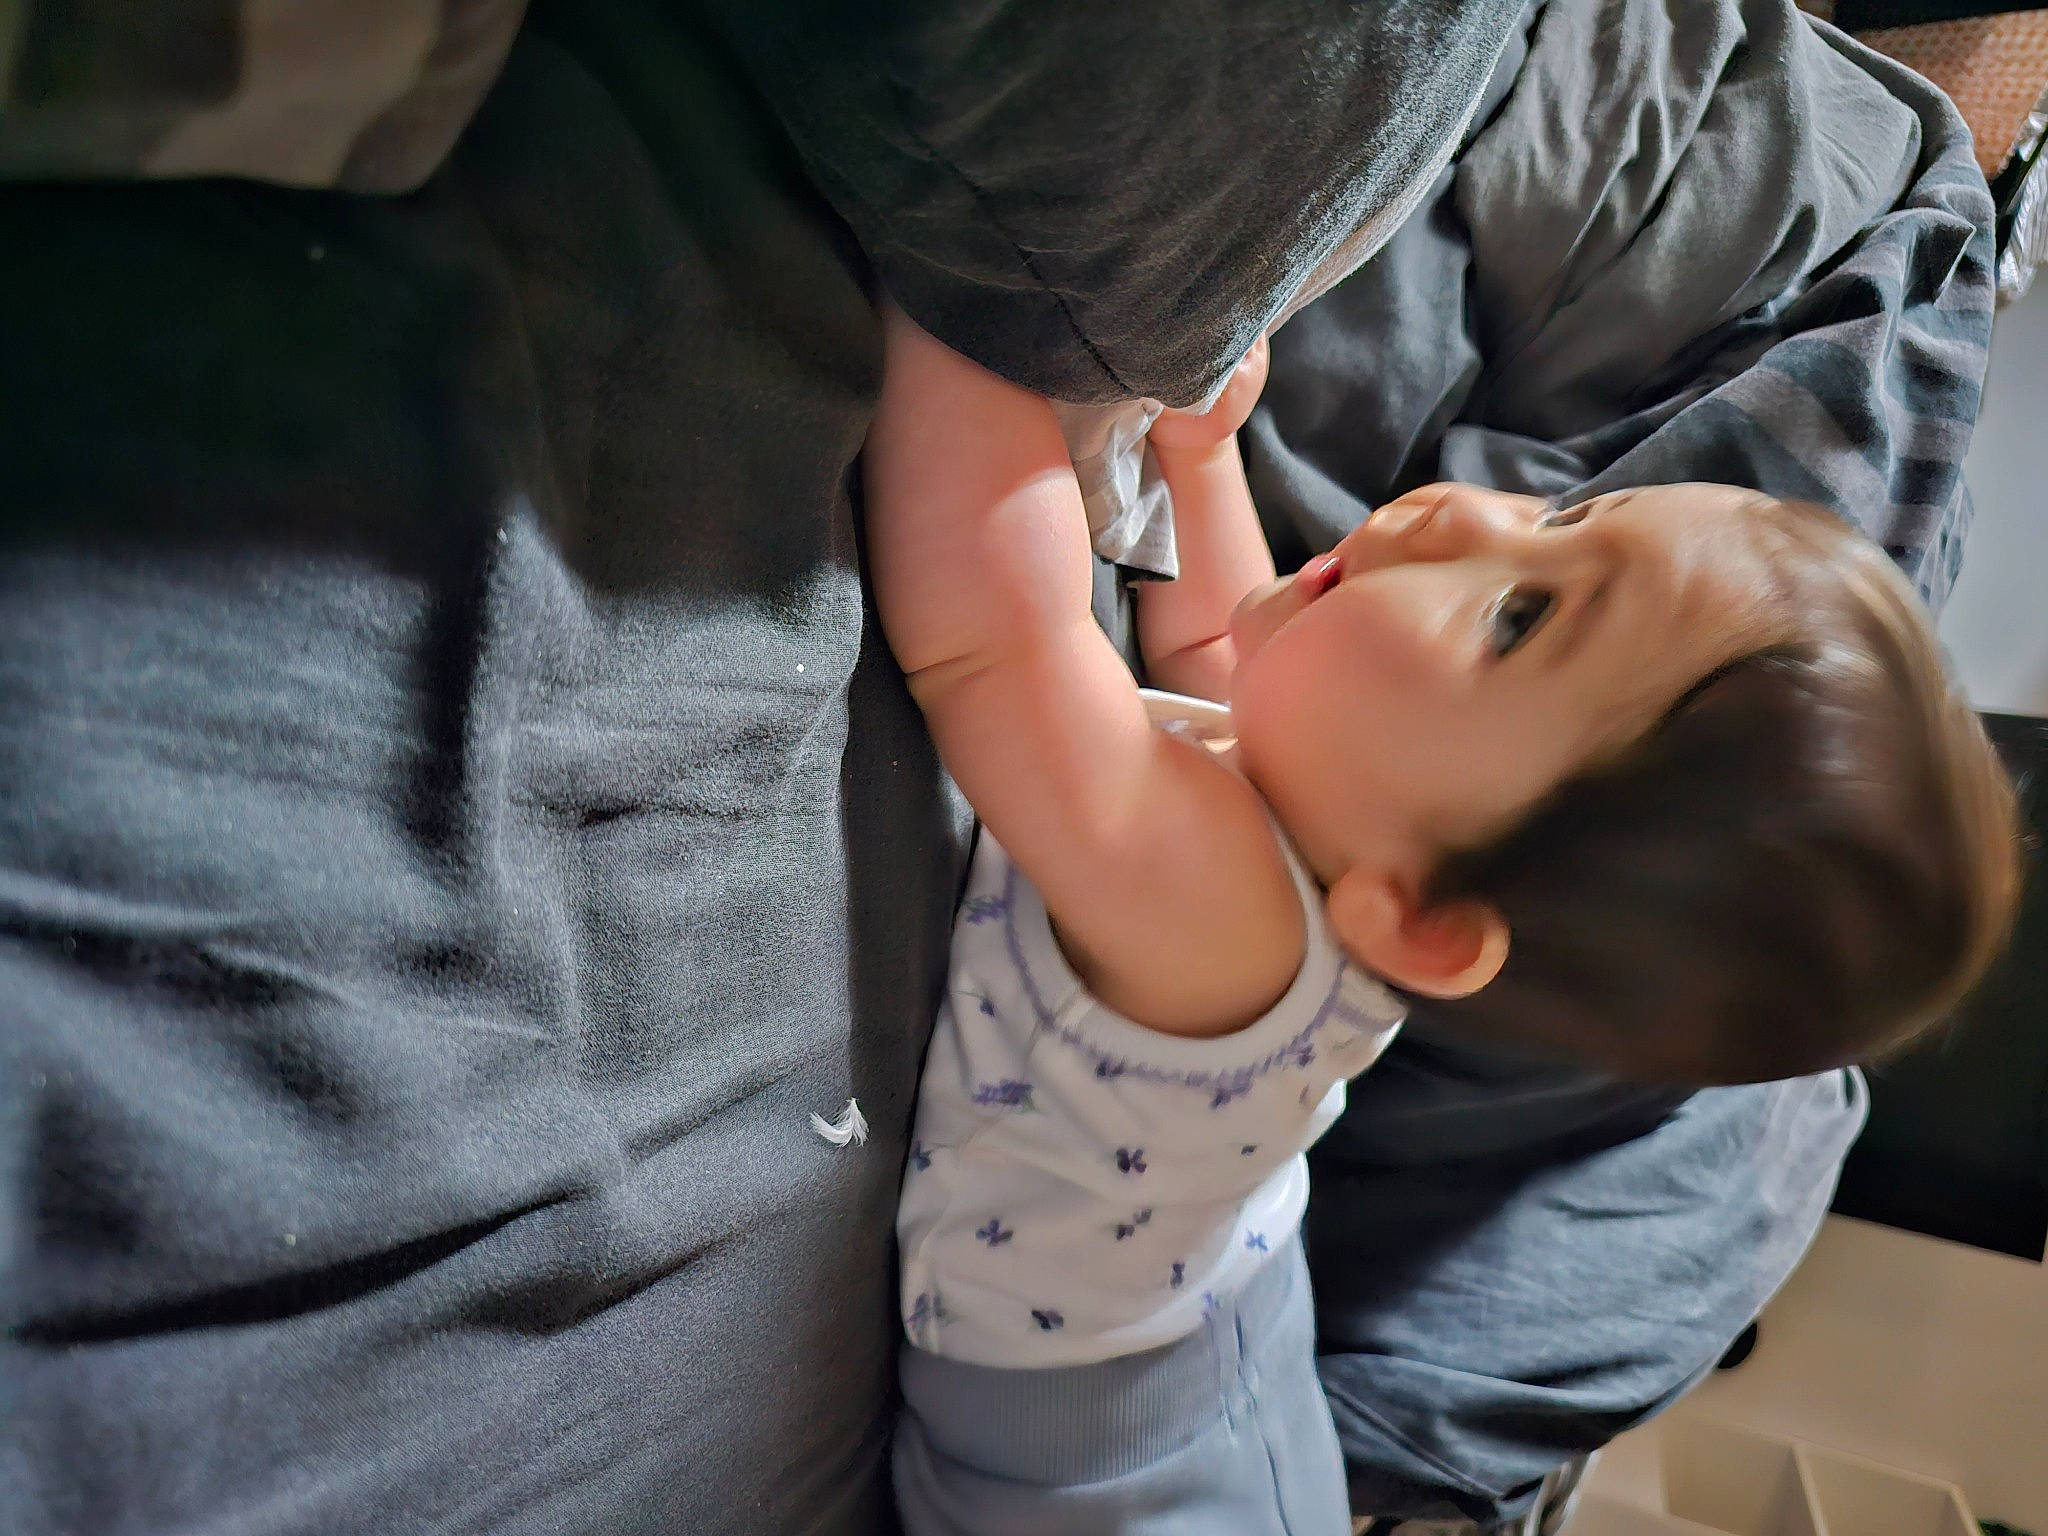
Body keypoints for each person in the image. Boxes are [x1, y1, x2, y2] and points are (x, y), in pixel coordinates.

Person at [861, 303, 2020, 1533]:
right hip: (1229, 1323)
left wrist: (966, 301)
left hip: (1094, 1474)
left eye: (1516, 618)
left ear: (1420, 925)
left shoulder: (1218, 922)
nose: (1466, 511)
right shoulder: (1347, 821)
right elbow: (1219, 646)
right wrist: (1199, 463)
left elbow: (997, 633)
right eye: (1563, 518)